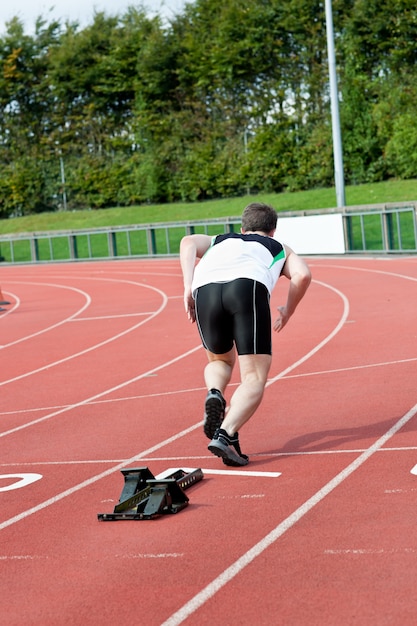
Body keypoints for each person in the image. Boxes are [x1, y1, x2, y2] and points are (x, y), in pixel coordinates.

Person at [180, 202, 311, 466]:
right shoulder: (279, 248)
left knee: (219, 361)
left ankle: (215, 392)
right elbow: (303, 275)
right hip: (247, 288)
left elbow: (187, 242)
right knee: (253, 376)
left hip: (204, 290)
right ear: (272, 230)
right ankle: (225, 435)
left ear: (242, 228)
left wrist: (187, 286)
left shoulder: (220, 239)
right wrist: (288, 310)